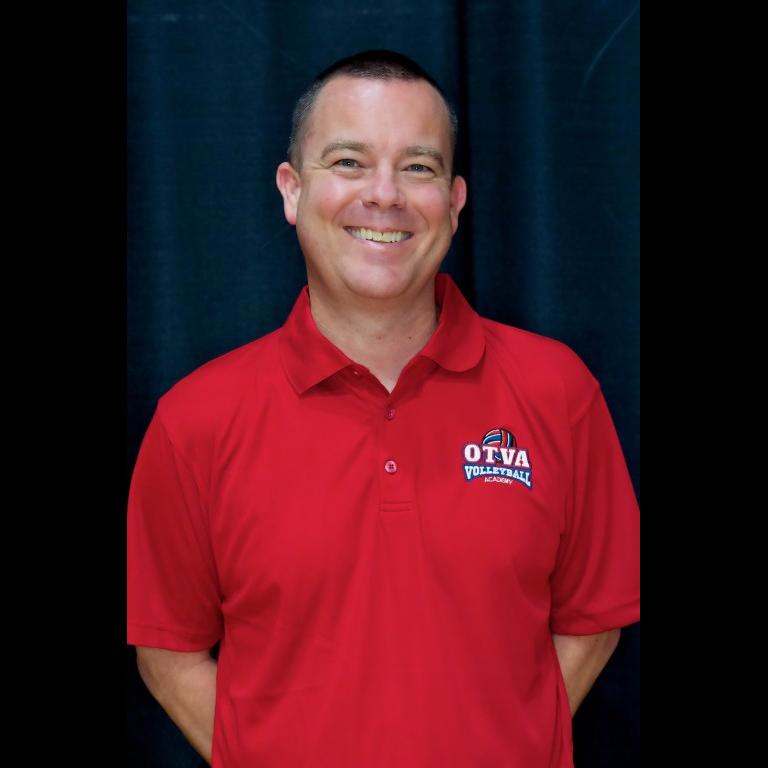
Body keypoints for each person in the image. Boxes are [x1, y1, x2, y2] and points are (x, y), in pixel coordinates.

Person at [127, 49, 639, 767]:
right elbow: (168, 651)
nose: (385, 195)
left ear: (454, 203)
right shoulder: (194, 423)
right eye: (348, 162)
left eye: (418, 167)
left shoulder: (560, 394)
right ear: (292, 190)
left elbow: (593, 620)